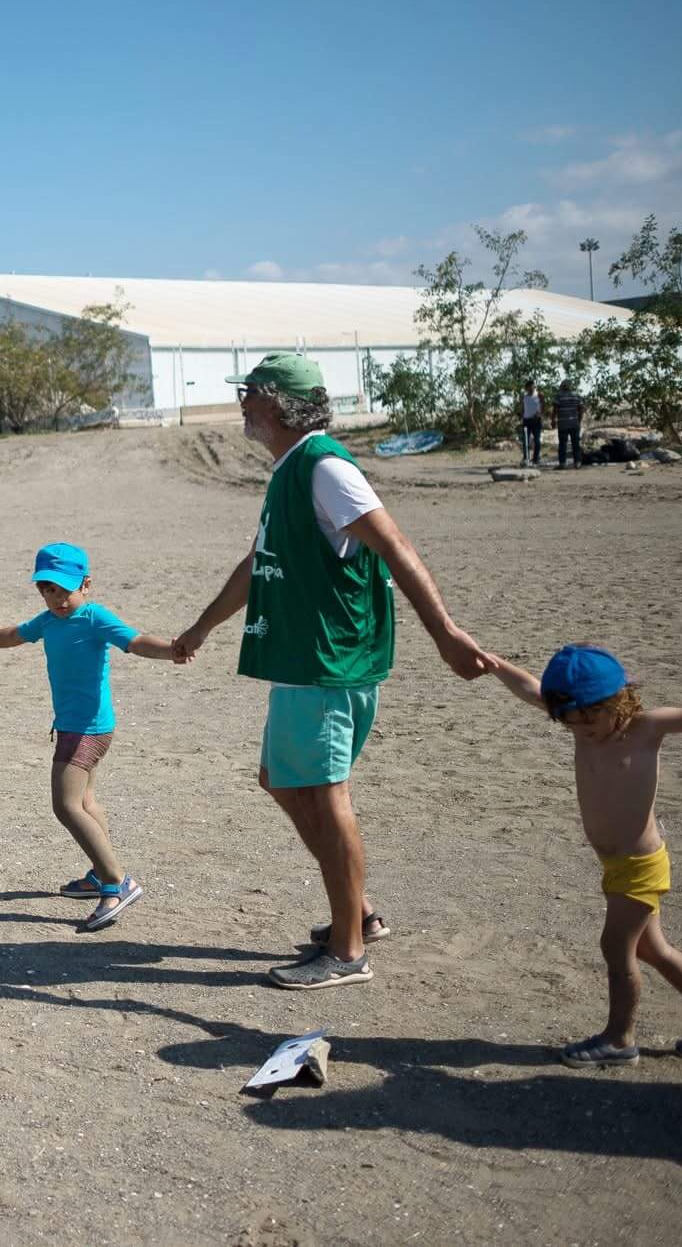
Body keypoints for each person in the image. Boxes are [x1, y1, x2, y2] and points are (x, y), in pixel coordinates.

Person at [174, 354, 491, 990]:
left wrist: (446, 634)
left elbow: (394, 545)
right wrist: (204, 624)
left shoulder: (324, 468)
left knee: (325, 793)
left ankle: (347, 951)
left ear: (279, 406)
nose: (243, 407)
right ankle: (359, 913)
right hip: (303, 659)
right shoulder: (292, 471)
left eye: (252, 397)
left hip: (328, 662)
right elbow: (260, 560)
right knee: (281, 782)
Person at [486, 645, 682, 1066]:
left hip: (640, 865)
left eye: (590, 724)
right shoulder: (579, 717)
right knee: (652, 950)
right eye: (572, 725)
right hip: (616, 864)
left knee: (616, 947)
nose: (583, 732)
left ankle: (619, 1039)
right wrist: (495, 664)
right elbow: (531, 688)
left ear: (616, 702)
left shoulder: (646, 728)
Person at [0, 542, 178, 930]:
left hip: (88, 730)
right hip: (75, 727)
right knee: (86, 801)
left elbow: (135, 641)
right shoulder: (48, 621)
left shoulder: (93, 617)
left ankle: (116, 882)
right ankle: (99, 874)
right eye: (47, 589)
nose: (56, 598)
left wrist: (172, 650)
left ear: (86, 584)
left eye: (64, 589)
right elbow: (12, 634)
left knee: (66, 805)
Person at [553, 380, 586, 469]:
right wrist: (579, 420)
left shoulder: (559, 396)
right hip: (574, 423)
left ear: (562, 386)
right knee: (575, 444)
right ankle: (577, 462)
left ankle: (562, 463)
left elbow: (555, 409)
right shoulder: (576, 396)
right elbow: (581, 409)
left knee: (562, 444)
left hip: (563, 423)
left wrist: (553, 420)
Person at [518, 380, 543, 468]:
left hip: (536, 420)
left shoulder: (539, 395)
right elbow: (522, 408)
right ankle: (526, 458)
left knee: (537, 440)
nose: (531, 388)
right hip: (526, 420)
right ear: (526, 388)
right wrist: (521, 417)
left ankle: (536, 458)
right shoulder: (524, 397)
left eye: (533, 386)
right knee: (525, 441)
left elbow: (543, 405)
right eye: (529, 387)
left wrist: (539, 414)